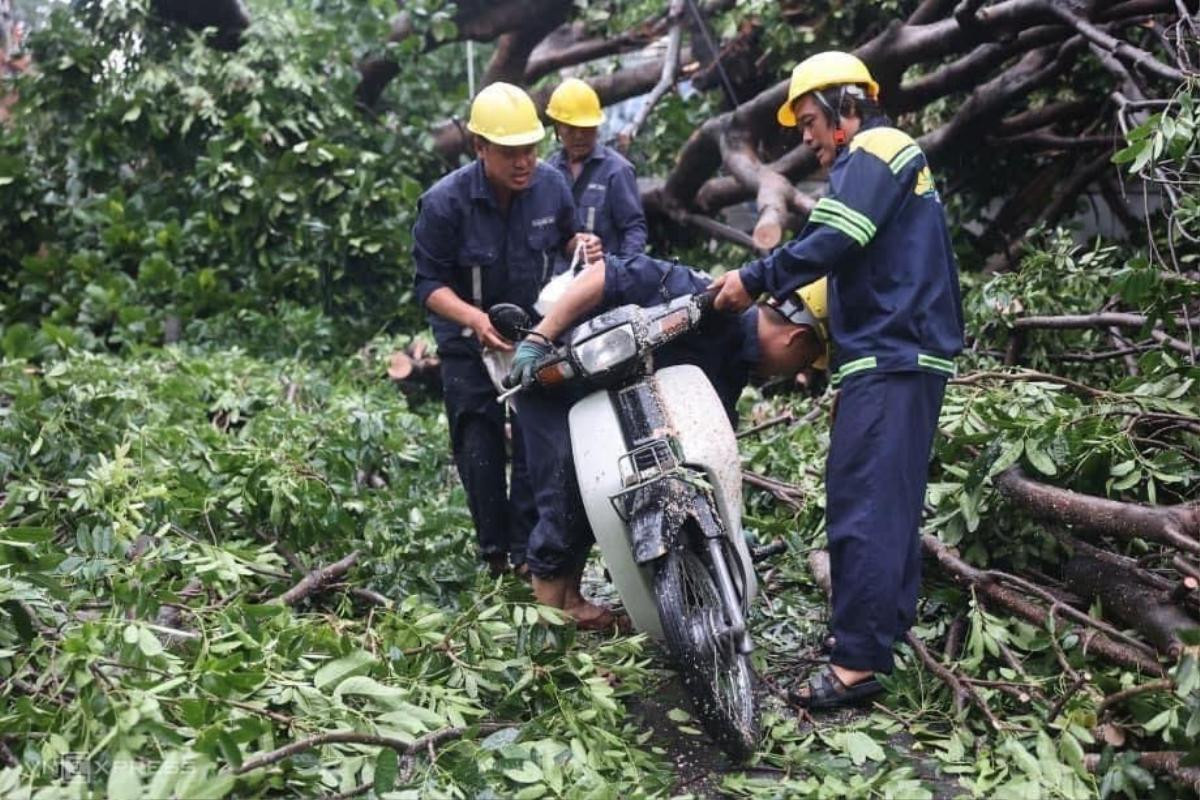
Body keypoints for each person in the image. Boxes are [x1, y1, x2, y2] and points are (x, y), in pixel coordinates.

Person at [711, 51, 965, 709]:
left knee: (864, 506)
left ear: (846, 106)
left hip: (893, 355)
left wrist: (755, 279)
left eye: (810, 123)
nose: (807, 140)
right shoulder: (880, 158)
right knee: (884, 501)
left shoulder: (877, 148)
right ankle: (878, 635)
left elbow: (834, 239)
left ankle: (856, 665)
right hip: (893, 355)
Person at [507, 254, 829, 628]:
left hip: (611, 407)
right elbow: (603, 274)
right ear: (797, 339)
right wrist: (539, 338)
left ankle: (572, 602)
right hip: (555, 381)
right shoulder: (696, 292)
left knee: (600, 498)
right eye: (805, 363)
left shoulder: (733, 367)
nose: (796, 373)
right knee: (566, 501)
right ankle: (547, 649)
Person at [412, 82, 601, 576]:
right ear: (480, 148)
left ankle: (526, 551)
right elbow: (428, 285)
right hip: (468, 340)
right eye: (510, 153)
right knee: (479, 438)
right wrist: (473, 320)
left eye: (530, 151)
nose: (523, 163)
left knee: (540, 436)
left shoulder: (552, 185)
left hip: (532, 335)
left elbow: (566, 239)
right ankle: (494, 553)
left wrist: (581, 245)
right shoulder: (443, 203)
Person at [545, 78, 648, 259]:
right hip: (560, 281)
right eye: (570, 128)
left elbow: (634, 230)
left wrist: (622, 274)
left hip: (605, 279)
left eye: (586, 128)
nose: (579, 136)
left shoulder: (617, 171)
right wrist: (569, 246)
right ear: (557, 127)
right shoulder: (549, 173)